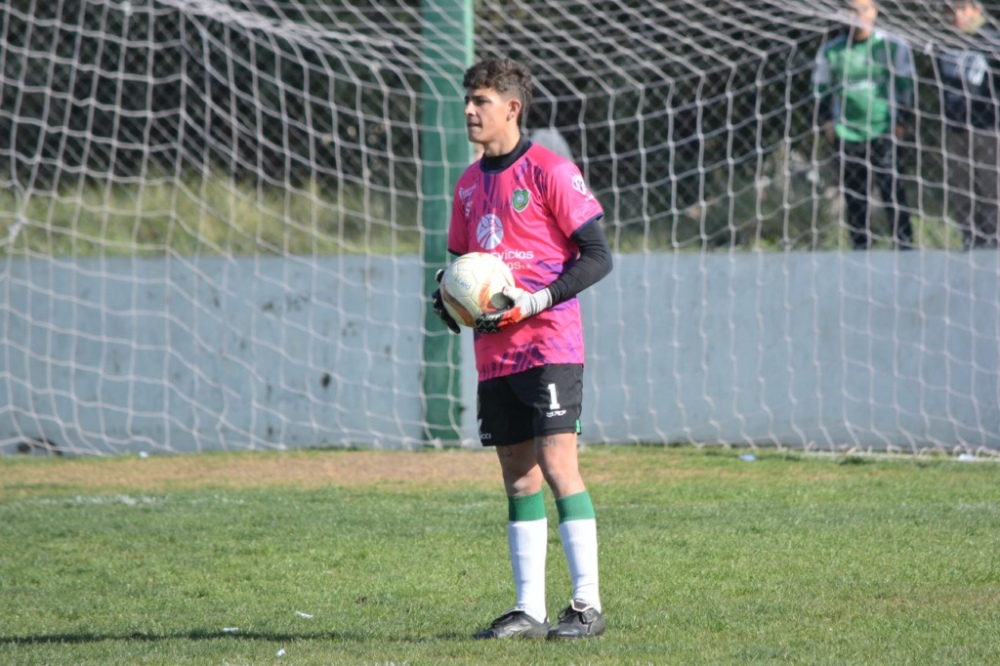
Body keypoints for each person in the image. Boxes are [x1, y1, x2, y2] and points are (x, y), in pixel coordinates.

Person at [429, 57, 613, 640]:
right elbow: (463, 266)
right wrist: (448, 297)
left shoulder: (551, 171)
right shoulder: (466, 184)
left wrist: (536, 301)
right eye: (468, 101)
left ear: (511, 108)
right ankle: (528, 609)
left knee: (558, 466)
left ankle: (586, 605)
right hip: (495, 354)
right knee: (517, 477)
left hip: (550, 343)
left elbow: (598, 256)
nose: (468, 111)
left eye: (480, 102)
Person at [813, 0, 916, 250]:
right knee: (855, 195)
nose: (858, 15)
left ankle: (905, 246)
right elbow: (820, 90)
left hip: (883, 129)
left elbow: (906, 85)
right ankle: (860, 249)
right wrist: (826, 122)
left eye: (864, 9)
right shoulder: (831, 51)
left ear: (875, 12)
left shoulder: (891, 45)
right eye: (852, 10)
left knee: (892, 190)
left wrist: (902, 120)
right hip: (848, 132)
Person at [938, 0, 1000, 249]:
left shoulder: (992, 39)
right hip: (956, 128)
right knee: (963, 193)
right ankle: (971, 243)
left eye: (962, 9)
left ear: (977, 10)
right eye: (951, 11)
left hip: (988, 129)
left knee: (991, 190)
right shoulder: (944, 42)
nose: (956, 16)